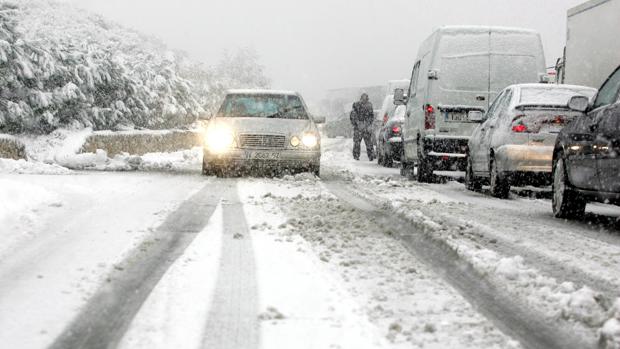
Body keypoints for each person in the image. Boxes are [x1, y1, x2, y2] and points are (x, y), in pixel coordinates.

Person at [350, 93, 375, 161]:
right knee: (366, 142)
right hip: (362, 127)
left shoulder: (358, 105)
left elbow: (371, 116)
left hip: (361, 127)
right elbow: (371, 116)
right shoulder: (366, 105)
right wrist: (359, 123)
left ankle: (361, 155)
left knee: (362, 142)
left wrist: (358, 123)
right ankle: (369, 155)